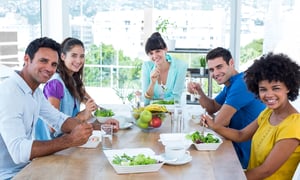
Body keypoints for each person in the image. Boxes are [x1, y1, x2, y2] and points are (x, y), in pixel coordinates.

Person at [0, 37, 116, 179]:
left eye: (53, 64)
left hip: (28, 167)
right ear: (27, 59)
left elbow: (59, 120)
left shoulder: (34, 91)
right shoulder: (8, 92)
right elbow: (18, 152)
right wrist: (70, 140)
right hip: (9, 175)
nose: (49, 68)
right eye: (43, 61)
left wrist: (101, 127)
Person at [202, 52, 300, 179]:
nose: (268, 95)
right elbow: (241, 135)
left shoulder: (294, 125)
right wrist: (214, 126)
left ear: (288, 87)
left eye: (276, 88)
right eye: (263, 89)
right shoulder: (268, 113)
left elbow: (265, 171)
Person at [187, 47, 266, 169]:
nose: (215, 73)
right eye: (212, 70)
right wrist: (198, 92)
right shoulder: (231, 83)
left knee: (195, 163)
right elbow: (212, 107)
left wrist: (212, 121)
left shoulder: (242, 84)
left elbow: (218, 123)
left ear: (231, 63)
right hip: (233, 144)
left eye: (219, 67)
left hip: (244, 155)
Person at [35, 37, 119, 140]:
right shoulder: (55, 84)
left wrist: (105, 125)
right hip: (51, 147)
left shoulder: (74, 81)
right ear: (63, 56)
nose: (78, 61)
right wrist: (83, 115)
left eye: (82, 56)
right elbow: (52, 127)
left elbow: (93, 109)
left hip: (68, 141)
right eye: (74, 56)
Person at [142, 32, 188, 105]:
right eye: (151, 53)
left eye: (158, 51)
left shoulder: (180, 66)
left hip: (172, 112)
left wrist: (154, 102)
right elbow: (145, 101)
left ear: (165, 49)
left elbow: (176, 99)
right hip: (153, 113)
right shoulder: (147, 67)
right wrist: (152, 83)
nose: (155, 56)